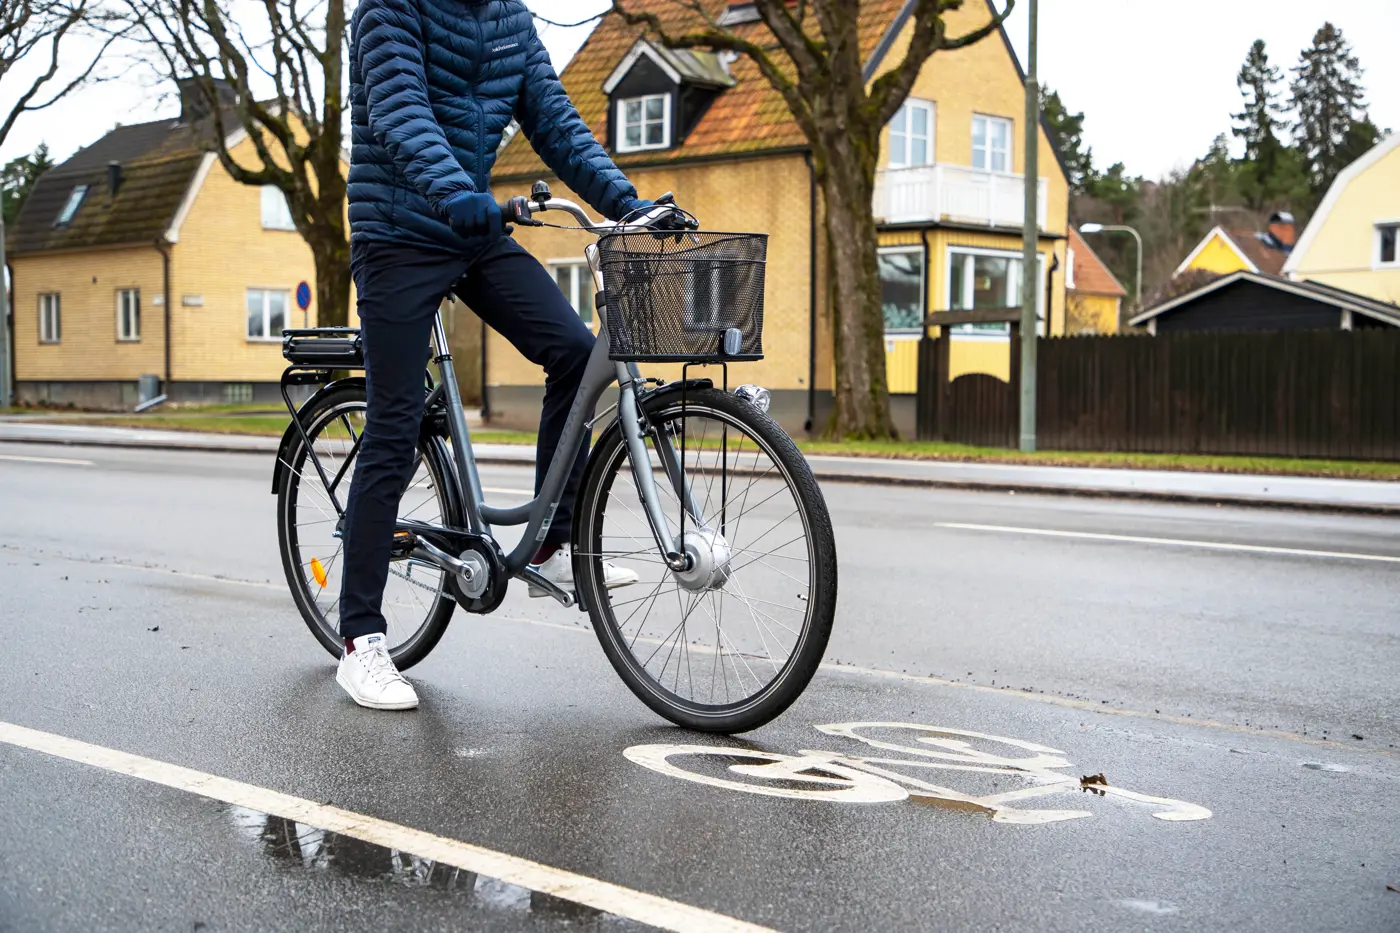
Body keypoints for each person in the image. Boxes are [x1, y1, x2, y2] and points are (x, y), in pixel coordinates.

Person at [336, 0, 651, 711]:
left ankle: (551, 546)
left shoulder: (509, 17)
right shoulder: (389, 8)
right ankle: (360, 641)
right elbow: (399, 111)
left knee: (576, 353)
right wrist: (455, 191)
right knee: (395, 421)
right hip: (397, 234)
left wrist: (625, 203)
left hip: (473, 231)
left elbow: (555, 121)